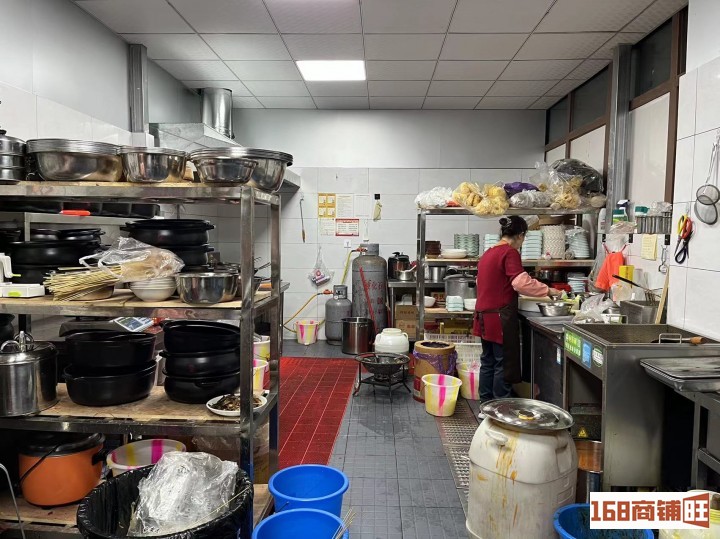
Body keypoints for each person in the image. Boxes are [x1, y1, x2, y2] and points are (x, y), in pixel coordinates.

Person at [473, 216, 562, 400]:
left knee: (488, 362)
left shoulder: (488, 253)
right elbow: (521, 283)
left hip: (483, 317)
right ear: (520, 235)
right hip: (500, 318)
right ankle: (501, 407)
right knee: (503, 364)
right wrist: (549, 290)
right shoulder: (509, 252)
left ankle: (485, 405)